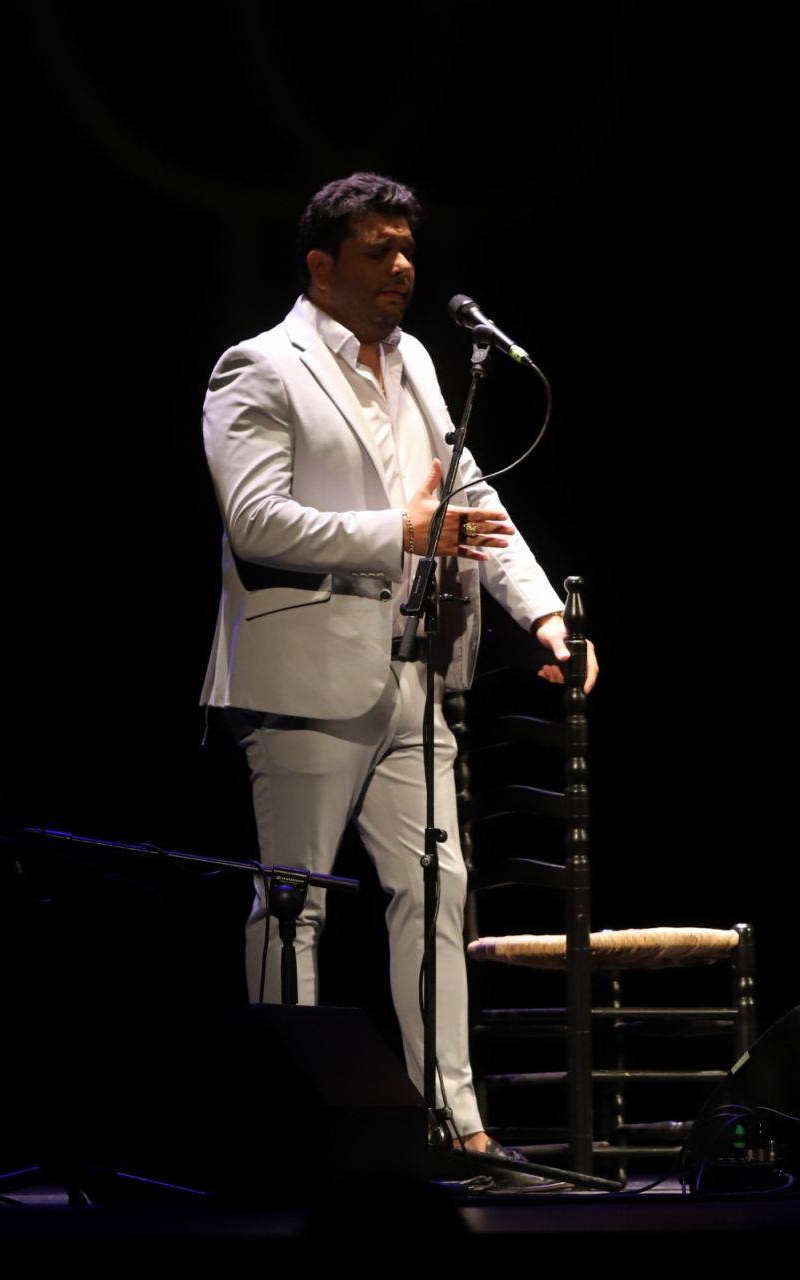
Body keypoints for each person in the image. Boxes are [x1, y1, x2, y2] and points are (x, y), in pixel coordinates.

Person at [199, 172, 594, 1185]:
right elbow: (257, 518)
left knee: (439, 889)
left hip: (416, 671)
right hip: (303, 674)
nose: (403, 267)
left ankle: (455, 1126)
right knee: (297, 903)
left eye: (408, 248)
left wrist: (546, 613)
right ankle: (287, 1127)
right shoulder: (259, 365)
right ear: (321, 265)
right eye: (378, 251)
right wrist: (399, 532)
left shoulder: (418, 360)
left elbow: (473, 495)